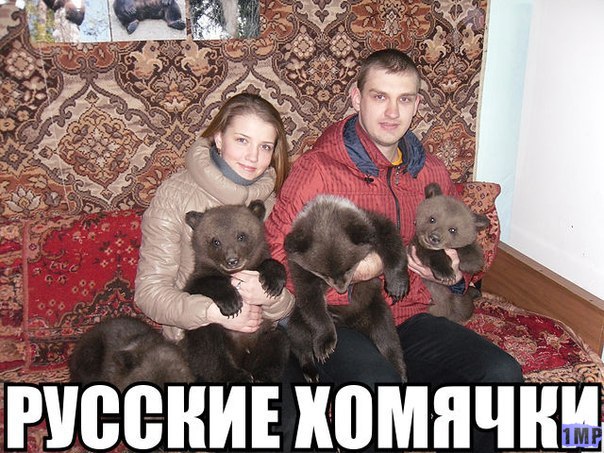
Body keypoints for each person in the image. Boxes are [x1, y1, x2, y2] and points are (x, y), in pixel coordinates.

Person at [264, 49, 523, 452]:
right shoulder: (316, 170)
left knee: (501, 374)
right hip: (339, 322)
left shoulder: (432, 172)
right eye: (379, 96)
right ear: (356, 98)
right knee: (382, 399)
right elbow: (276, 259)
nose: (392, 112)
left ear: (417, 104)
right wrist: (354, 272)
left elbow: (462, 255)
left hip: (411, 318)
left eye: (404, 99)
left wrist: (455, 277)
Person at [134, 92, 293, 344]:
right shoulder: (175, 195)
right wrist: (211, 312)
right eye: (242, 140)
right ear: (219, 138)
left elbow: (292, 300)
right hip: (198, 342)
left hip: (262, 341)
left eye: (265, 146)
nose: (253, 157)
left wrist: (271, 299)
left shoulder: (273, 203)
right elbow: (149, 292)